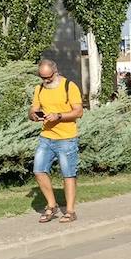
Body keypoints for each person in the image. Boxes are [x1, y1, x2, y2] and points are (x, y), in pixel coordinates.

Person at [29, 59, 84, 224]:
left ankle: (70, 211)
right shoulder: (39, 89)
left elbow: (79, 112)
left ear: (55, 71)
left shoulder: (69, 86)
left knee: (68, 174)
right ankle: (51, 206)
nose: (45, 80)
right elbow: (32, 111)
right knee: (38, 170)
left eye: (48, 77)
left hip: (66, 139)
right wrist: (34, 115)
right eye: (42, 77)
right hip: (46, 137)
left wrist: (58, 115)